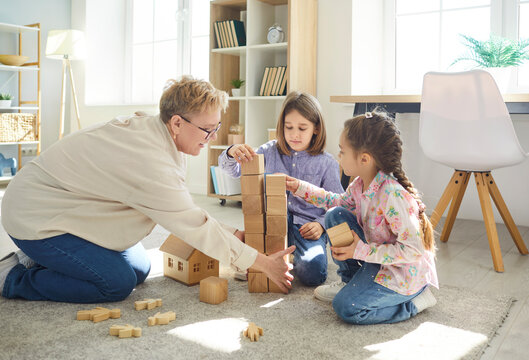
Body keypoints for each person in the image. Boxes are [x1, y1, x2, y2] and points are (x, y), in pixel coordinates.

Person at [0, 76, 294, 303]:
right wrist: (262, 263)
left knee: (139, 269)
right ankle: (12, 278)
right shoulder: (150, 160)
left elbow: (181, 208)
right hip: (34, 216)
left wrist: (234, 238)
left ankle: (38, 258)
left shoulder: (162, 132)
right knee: (116, 283)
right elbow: (193, 225)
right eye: (208, 129)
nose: (213, 136)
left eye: (216, 127)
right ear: (177, 122)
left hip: (70, 207)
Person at [285, 111, 439, 324]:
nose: (338, 156)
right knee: (335, 215)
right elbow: (336, 202)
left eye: (342, 151)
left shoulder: (393, 196)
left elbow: (413, 251)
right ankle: (349, 281)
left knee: (346, 308)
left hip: (403, 273)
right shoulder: (359, 184)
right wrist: (300, 188)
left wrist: (361, 250)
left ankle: (415, 302)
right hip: (377, 259)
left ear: (364, 159)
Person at [219, 91, 343, 287]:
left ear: (316, 129)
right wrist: (230, 152)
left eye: (302, 128)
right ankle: (265, 250)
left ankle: (290, 256)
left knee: (313, 275)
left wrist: (321, 225)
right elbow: (233, 171)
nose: (294, 134)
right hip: (271, 223)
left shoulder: (327, 163)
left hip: (306, 227)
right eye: (289, 127)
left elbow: (339, 204)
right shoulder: (268, 151)